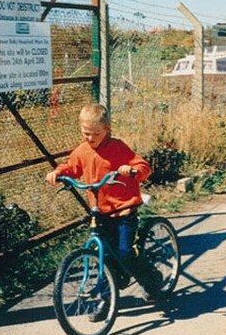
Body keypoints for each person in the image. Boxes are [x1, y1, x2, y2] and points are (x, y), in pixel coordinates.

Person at [46, 103, 160, 304]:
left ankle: (152, 280)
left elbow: (142, 166)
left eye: (95, 134)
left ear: (107, 129)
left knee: (125, 253)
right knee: (104, 256)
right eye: (86, 133)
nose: (90, 138)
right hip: (100, 211)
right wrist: (58, 173)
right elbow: (72, 167)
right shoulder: (82, 150)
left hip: (124, 210)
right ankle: (105, 300)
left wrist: (131, 170)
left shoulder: (117, 147)